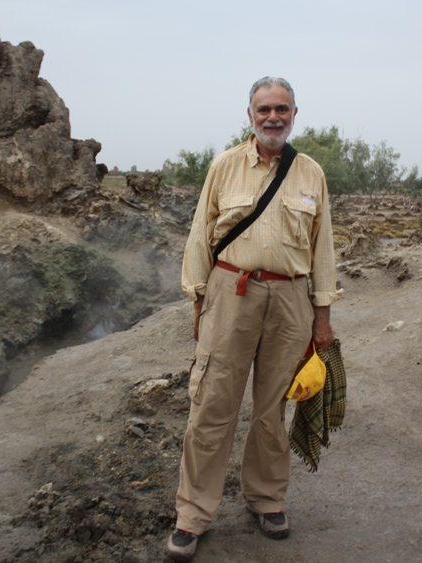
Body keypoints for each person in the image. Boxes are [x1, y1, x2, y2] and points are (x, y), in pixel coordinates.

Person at [166, 76, 341, 561]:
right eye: (264, 109)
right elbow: (200, 237)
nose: (272, 118)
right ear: (249, 115)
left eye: (281, 109)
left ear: (294, 114)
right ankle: (192, 515)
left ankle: (266, 500)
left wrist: (321, 316)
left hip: (290, 302)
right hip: (231, 292)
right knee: (212, 405)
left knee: (273, 409)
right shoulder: (224, 166)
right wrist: (199, 302)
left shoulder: (311, 173)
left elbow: (322, 247)